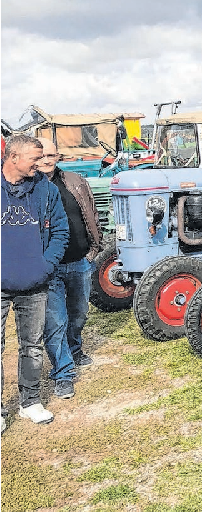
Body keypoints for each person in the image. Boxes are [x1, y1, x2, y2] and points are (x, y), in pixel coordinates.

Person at [1, 135, 69, 431]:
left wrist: (45, 267)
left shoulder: (46, 189)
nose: (40, 164)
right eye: (34, 158)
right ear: (13, 157)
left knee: (32, 346)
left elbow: (60, 233)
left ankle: (30, 402)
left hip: (35, 285)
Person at [36, 139, 102, 400]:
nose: (46, 160)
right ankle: (63, 373)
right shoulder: (30, 187)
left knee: (79, 314)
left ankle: (74, 347)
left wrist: (93, 249)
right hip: (49, 267)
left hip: (80, 260)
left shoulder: (75, 180)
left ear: (58, 156)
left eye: (51, 155)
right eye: (42, 155)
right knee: (55, 321)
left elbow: (91, 213)